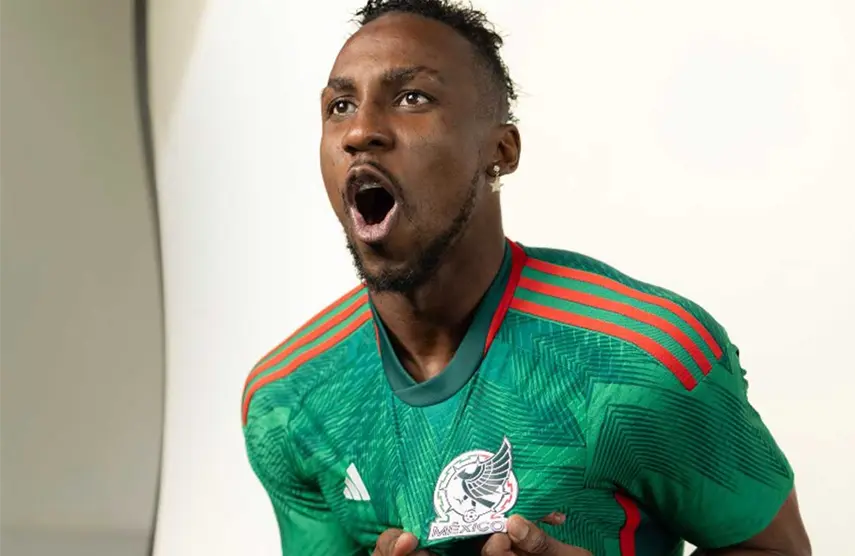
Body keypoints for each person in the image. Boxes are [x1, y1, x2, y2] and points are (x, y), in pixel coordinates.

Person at [241, 1, 812, 554]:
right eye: (340, 106)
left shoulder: (645, 359)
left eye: (413, 98)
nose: (360, 130)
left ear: (501, 151)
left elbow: (778, 550)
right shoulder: (286, 401)